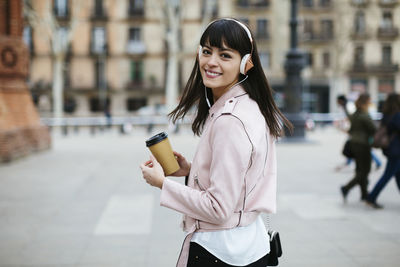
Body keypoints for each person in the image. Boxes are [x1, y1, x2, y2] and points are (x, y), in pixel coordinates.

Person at [140, 18, 292, 267]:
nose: (211, 62)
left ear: (245, 64)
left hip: (220, 251)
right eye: (207, 52)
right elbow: (243, 179)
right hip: (250, 245)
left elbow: (219, 209)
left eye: (225, 55)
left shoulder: (230, 120)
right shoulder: (251, 106)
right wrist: (192, 171)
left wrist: (162, 183)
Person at [340, 93, 376, 202]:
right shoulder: (364, 115)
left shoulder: (355, 114)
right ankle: (346, 188)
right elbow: (373, 129)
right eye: (369, 101)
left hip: (354, 143)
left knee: (360, 170)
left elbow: (351, 129)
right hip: (362, 144)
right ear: (366, 102)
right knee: (365, 170)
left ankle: (364, 194)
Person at [366, 93, 400, 209]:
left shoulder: (386, 114)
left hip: (390, 147)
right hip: (397, 149)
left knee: (397, 174)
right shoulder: (397, 115)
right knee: (387, 175)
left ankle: (371, 197)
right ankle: (371, 197)